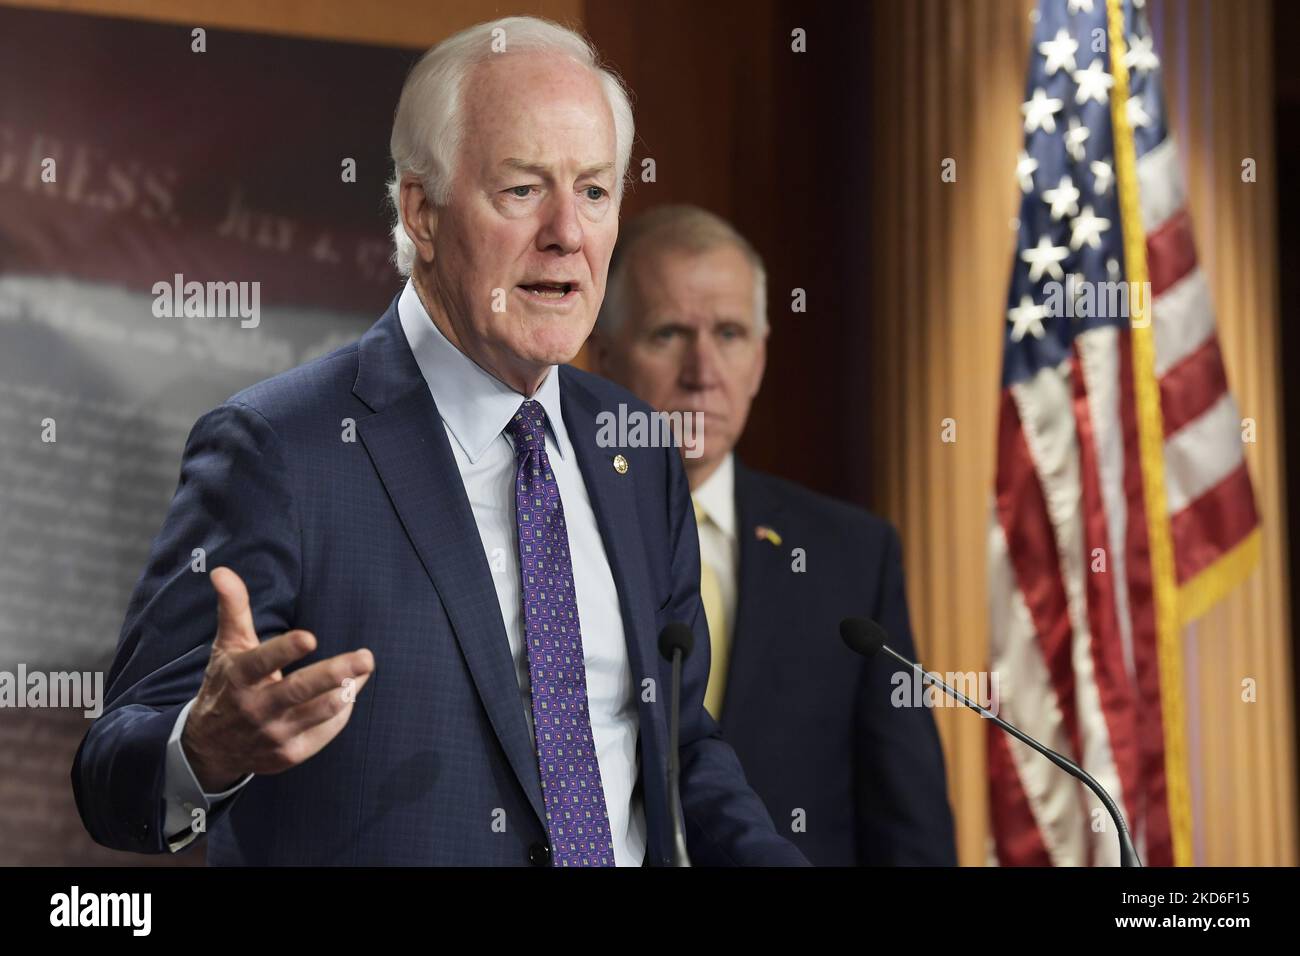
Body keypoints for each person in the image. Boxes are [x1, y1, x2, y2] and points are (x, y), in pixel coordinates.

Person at [72, 19, 805, 867]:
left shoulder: (635, 448)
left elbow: (678, 747)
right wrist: (205, 749)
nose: (568, 232)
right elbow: (108, 775)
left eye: (595, 191)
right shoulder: (280, 450)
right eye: (523, 190)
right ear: (422, 212)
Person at [588, 204, 957, 865]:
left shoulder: (851, 558)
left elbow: (910, 829)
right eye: (669, 334)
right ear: (604, 358)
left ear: (759, 360)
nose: (703, 371)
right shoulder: (557, 529)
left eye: (729, 334)